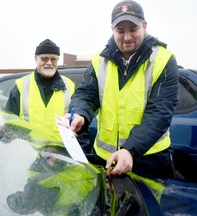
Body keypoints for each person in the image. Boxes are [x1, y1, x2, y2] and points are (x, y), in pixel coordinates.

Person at [65, 0, 179, 178]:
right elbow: (86, 94)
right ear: (112, 30)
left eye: (133, 29)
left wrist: (130, 150)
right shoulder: (98, 61)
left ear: (144, 26)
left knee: (151, 206)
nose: (127, 37)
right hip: (105, 158)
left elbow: (160, 112)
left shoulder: (164, 60)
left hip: (150, 159)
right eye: (120, 31)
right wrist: (80, 114)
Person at [5, 39, 91, 152]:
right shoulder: (21, 86)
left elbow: (80, 130)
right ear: (36, 59)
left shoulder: (70, 87)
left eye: (53, 59)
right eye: (44, 58)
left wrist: (67, 155)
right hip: (27, 158)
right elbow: (10, 123)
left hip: (61, 159)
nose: (49, 63)